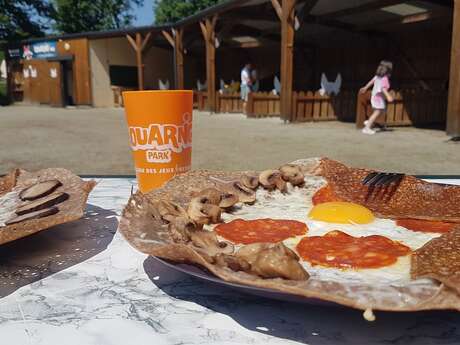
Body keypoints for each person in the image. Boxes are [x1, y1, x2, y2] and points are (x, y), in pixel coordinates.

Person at [360, 60, 394, 135]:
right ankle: (366, 128)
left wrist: (365, 88)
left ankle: (369, 122)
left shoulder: (377, 76)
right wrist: (388, 96)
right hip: (378, 98)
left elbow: (371, 82)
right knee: (377, 112)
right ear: (389, 71)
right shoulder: (384, 78)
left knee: (381, 111)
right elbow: (383, 89)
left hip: (374, 96)